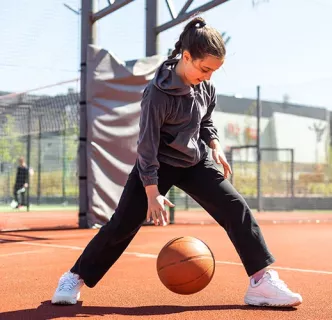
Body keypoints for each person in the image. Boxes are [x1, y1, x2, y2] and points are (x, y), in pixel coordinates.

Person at [51, 16, 302, 308]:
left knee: (235, 208)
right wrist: (151, 192)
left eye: (213, 71)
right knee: (123, 224)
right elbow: (146, 146)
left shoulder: (206, 86)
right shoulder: (157, 93)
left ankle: (261, 282)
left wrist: (215, 145)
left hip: (195, 160)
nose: (208, 76)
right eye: (204, 68)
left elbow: (206, 121)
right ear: (186, 57)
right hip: (157, 162)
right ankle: (74, 277)